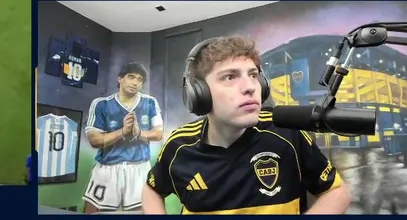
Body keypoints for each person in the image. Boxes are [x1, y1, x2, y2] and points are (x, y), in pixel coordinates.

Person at [142, 36, 351, 214]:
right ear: (198, 93)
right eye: (229, 77)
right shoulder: (179, 145)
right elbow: (152, 189)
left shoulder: (287, 134)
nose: (250, 87)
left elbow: (336, 192)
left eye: (253, 75)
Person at [83, 62, 162, 213]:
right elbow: (94, 140)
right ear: (120, 79)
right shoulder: (101, 104)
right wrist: (122, 132)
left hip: (139, 167)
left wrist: (138, 134)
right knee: (93, 211)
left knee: (142, 211)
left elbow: (158, 133)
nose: (135, 82)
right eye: (131, 77)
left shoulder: (150, 102)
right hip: (108, 167)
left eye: (139, 79)